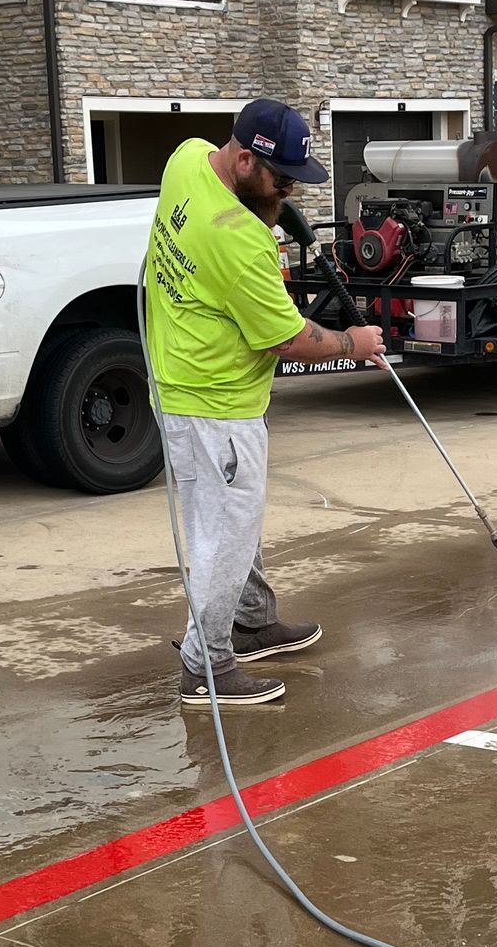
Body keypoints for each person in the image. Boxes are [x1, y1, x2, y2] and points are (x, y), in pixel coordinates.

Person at [144, 100, 385, 708]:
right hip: (214, 405)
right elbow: (289, 340)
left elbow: (222, 196)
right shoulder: (240, 242)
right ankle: (206, 665)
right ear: (247, 160)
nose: (288, 191)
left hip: (184, 381)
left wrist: (274, 205)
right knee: (226, 533)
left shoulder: (186, 159)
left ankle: (250, 621)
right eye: (283, 181)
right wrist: (353, 344)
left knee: (236, 522)